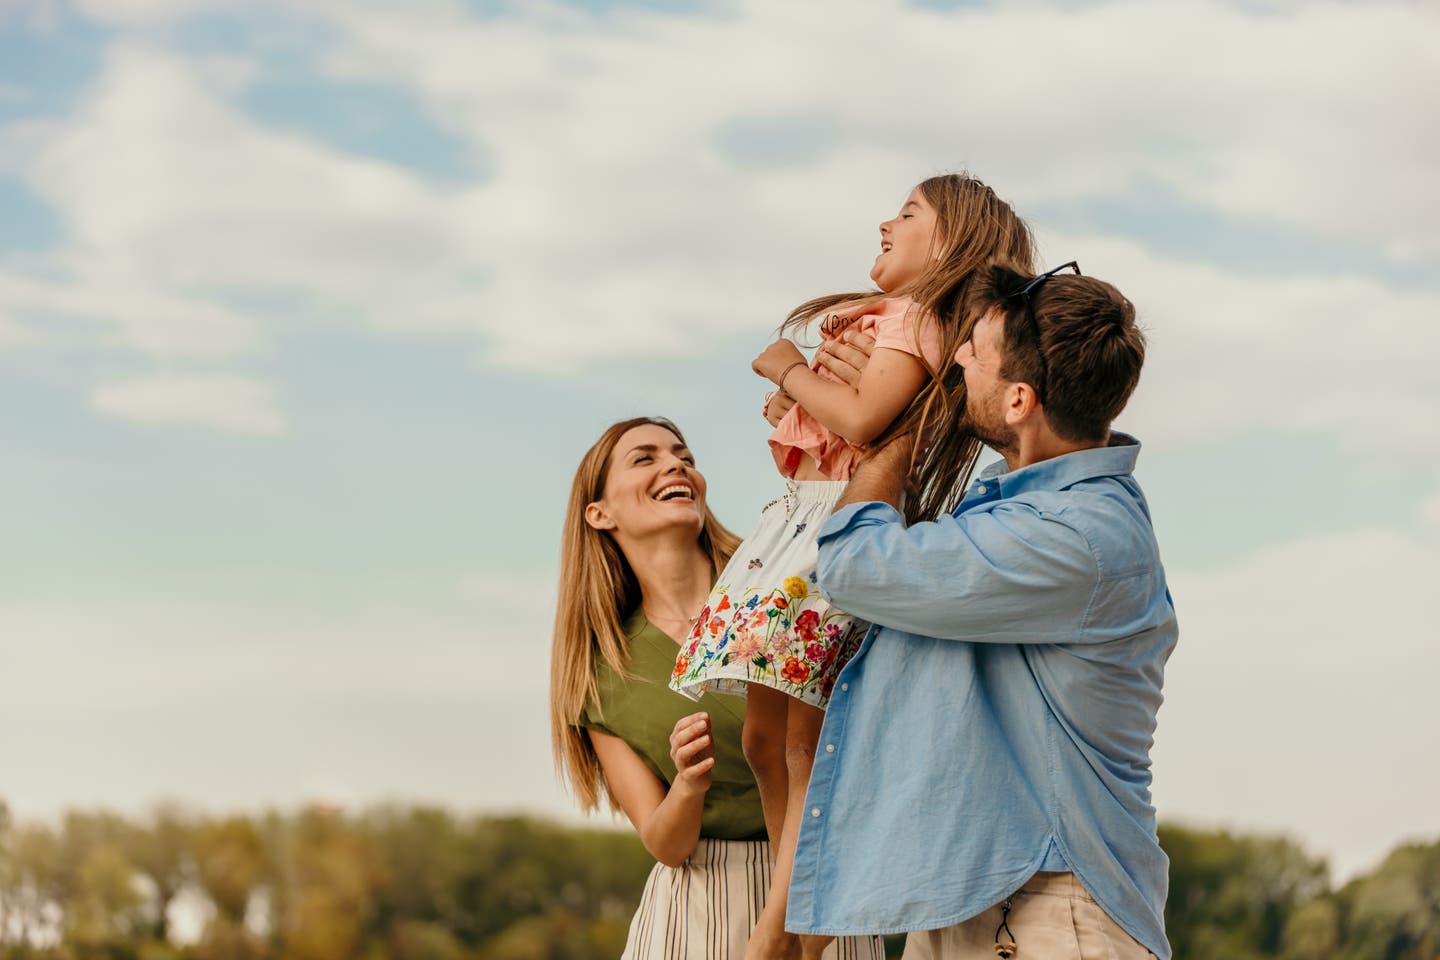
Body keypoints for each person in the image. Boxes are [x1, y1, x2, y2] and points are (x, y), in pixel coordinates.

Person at [671, 174, 1035, 959]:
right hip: (799, 526)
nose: (885, 222)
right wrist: (803, 411)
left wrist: (788, 372)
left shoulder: (912, 319)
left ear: (949, 242)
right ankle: (793, 911)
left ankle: (781, 932)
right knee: (765, 741)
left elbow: (869, 420)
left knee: (800, 743)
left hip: (827, 535)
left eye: (907, 214)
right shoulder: (891, 324)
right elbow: (853, 427)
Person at [786, 263, 1179, 960]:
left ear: (1021, 399)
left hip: (1055, 910)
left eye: (974, 351)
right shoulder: (1021, 508)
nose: (955, 359)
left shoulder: (1074, 537)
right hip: (979, 896)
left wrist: (898, 429)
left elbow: (855, 565)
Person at [549, 416, 885, 960]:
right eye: (645, 458)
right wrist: (687, 784)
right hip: (696, 910)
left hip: (818, 885)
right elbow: (665, 844)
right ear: (599, 513)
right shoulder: (598, 675)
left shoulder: (784, 583)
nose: (675, 464)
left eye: (683, 455)